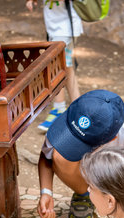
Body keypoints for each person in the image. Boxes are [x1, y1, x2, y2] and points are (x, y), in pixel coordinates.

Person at [37, 90, 124, 218]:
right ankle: (84, 195)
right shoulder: (77, 113)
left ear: (112, 138)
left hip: (115, 178)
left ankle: (112, 201)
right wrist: (46, 192)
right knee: (60, 156)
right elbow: (46, 156)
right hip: (85, 171)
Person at [26, 0, 82, 132]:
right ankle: (79, 109)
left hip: (64, 29)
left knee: (56, 68)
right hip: (59, 28)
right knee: (66, 68)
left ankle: (59, 109)